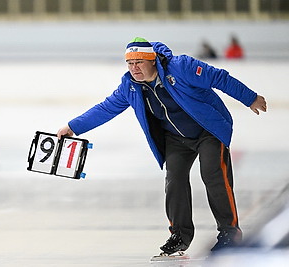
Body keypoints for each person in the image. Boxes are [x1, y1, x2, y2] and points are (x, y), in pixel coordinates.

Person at [57, 37, 267, 256]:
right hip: (176, 138)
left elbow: (219, 78)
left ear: (152, 60)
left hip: (208, 130)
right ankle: (179, 234)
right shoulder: (130, 85)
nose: (134, 68)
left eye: (139, 62)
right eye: (129, 63)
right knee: (174, 180)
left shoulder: (181, 67)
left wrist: (250, 98)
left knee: (213, 175)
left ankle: (229, 233)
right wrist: (73, 127)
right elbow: (106, 108)